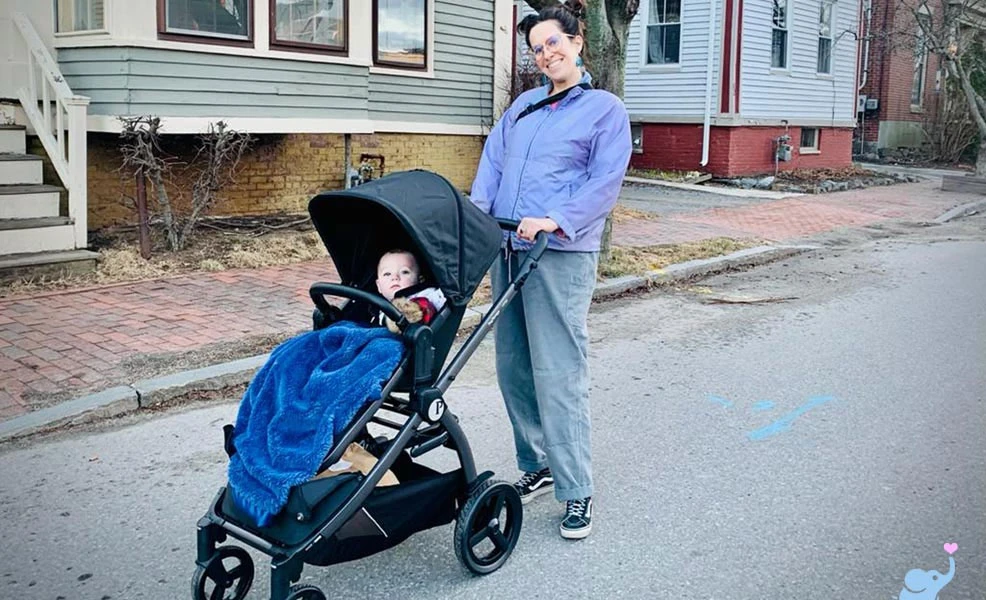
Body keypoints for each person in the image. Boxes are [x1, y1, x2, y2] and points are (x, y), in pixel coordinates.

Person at [469, 0, 631, 540]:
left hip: (559, 254)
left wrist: (554, 220)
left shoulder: (604, 109)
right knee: (513, 367)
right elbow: (490, 166)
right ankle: (536, 464)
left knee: (558, 372)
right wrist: (479, 222)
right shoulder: (522, 109)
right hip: (509, 249)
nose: (546, 54)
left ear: (577, 42)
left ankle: (576, 488)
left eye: (553, 43)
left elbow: (604, 183)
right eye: (537, 49)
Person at [374, 249, 446, 333]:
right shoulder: (376, 304)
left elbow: (429, 306)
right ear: (378, 286)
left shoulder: (427, 295)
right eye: (387, 274)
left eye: (404, 272)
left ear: (420, 280)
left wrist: (410, 312)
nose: (395, 277)